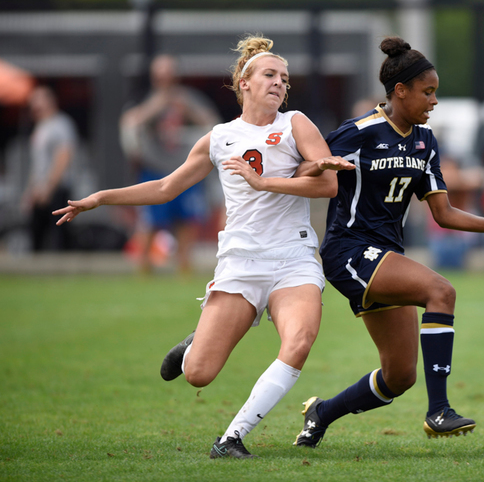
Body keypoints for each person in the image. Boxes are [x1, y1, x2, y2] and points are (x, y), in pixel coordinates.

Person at [54, 35, 354, 459]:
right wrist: (100, 198)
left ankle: (231, 437)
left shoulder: (296, 124)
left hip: (294, 258)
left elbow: (328, 183)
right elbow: (164, 187)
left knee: (299, 341)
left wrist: (263, 181)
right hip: (241, 262)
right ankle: (196, 344)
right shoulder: (219, 137)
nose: (280, 84)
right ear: (243, 82)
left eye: (285, 79)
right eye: (269, 75)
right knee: (198, 374)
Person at [292, 37, 484, 447]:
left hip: (386, 257)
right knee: (441, 290)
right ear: (399, 91)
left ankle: (323, 413)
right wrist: (317, 165)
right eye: (428, 92)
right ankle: (439, 411)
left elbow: (443, 213)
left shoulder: (425, 142)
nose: (434, 101)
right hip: (348, 250)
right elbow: (303, 168)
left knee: (399, 376)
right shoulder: (360, 133)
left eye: (435, 92)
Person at [119, 54, 221, 274]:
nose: (165, 78)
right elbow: (129, 123)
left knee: (187, 224)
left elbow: (213, 123)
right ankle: (143, 274)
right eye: (160, 74)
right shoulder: (143, 97)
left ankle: (183, 271)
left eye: (169, 73)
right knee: (149, 226)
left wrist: (187, 109)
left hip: (185, 170)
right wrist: (156, 106)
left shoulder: (189, 97)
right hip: (153, 169)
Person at [21, 86, 79, 252]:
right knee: (36, 234)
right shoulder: (40, 127)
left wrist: (49, 187)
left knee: (59, 234)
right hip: (40, 189)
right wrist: (31, 190)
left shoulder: (60, 124)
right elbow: (38, 164)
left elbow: (63, 157)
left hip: (57, 189)